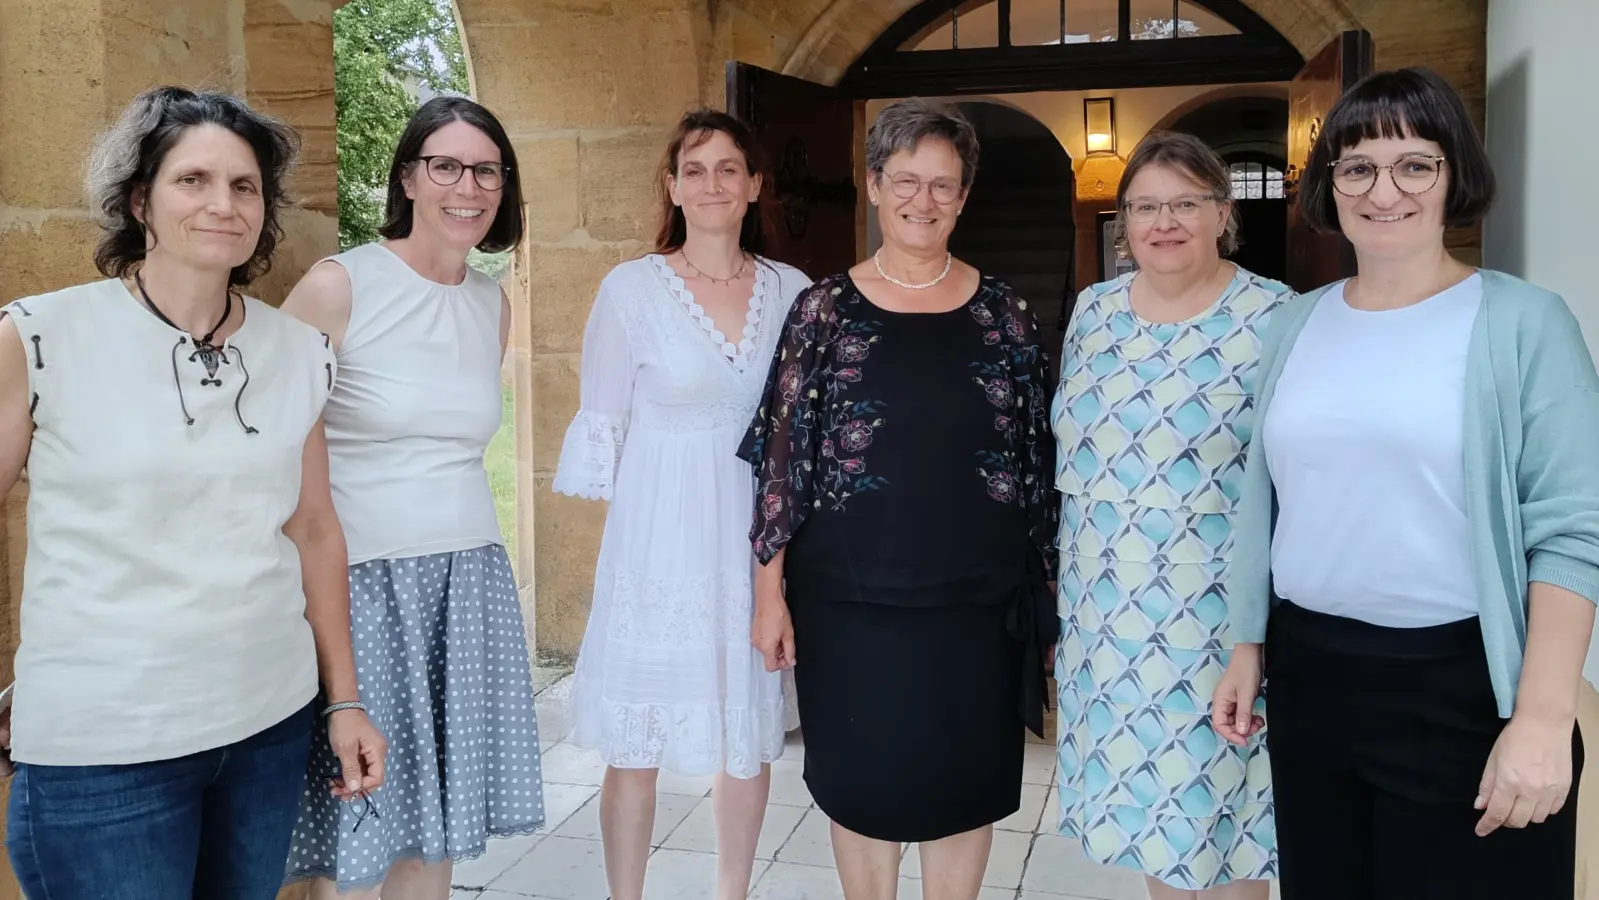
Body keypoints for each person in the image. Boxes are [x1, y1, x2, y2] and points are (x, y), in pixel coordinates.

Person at [1211, 66, 1598, 899]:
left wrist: (1542, 715)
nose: (1383, 190)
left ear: (1452, 174)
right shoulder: (1296, 321)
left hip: (1461, 687)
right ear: (1329, 184)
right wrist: (1250, 642)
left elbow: (1573, 530)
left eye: (1413, 164)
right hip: (1312, 676)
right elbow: (1265, 501)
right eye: (1356, 167)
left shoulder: (1524, 322)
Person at [0, 86, 385, 900]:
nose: (223, 204)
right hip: (104, 745)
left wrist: (342, 700)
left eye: (244, 186)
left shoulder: (300, 351)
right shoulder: (39, 336)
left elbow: (315, 530)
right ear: (140, 199)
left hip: (265, 728)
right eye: (193, 180)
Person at [738, 98, 1059, 900]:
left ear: (963, 195)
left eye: (943, 185)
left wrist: (1051, 597)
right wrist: (768, 598)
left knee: (965, 784)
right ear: (875, 185)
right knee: (862, 782)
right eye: (906, 181)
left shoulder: (1005, 315)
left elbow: (1037, 464)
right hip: (850, 603)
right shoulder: (821, 311)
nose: (924, 200)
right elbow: (781, 464)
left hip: (977, 604)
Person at [281, 95, 545, 898]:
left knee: (435, 834)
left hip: (467, 585)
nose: (468, 186)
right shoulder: (340, 286)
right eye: (446, 165)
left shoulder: (489, 300)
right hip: (361, 585)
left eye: (486, 169)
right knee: (352, 831)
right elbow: (268, 445)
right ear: (407, 177)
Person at [553, 109, 812, 900]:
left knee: (748, 736)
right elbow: (603, 426)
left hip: (753, 548)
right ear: (672, 185)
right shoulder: (630, 289)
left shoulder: (794, 291)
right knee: (634, 744)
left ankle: (730, 891)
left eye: (728, 168)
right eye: (694, 169)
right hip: (658, 544)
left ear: (754, 185)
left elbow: (805, 432)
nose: (711, 184)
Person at [1051, 131, 1289, 900]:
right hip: (1104, 620)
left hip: (1215, 622)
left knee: (1225, 827)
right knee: (1155, 830)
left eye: (1186, 202)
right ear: (1124, 222)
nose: (1165, 221)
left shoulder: (1275, 316)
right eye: (1145, 206)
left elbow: (1292, 480)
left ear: (1221, 213)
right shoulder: (1093, 312)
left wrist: (1254, 636)